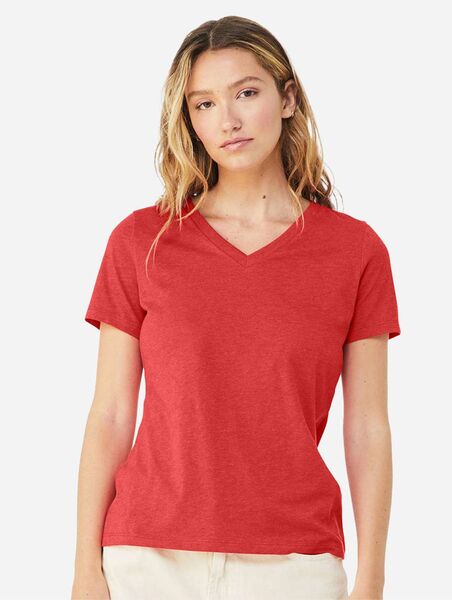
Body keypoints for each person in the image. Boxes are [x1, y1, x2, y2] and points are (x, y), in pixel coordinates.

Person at [71, 15, 401, 600]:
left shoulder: (355, 251)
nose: (227, 120)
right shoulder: (141, 241)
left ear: (287, 99)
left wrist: (372, 579)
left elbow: (367, 427)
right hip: (147, 561)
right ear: (189, 120)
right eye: (204, 104)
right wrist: (84, 569)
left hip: (295, 565)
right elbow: (112, 414)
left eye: (246, 93)